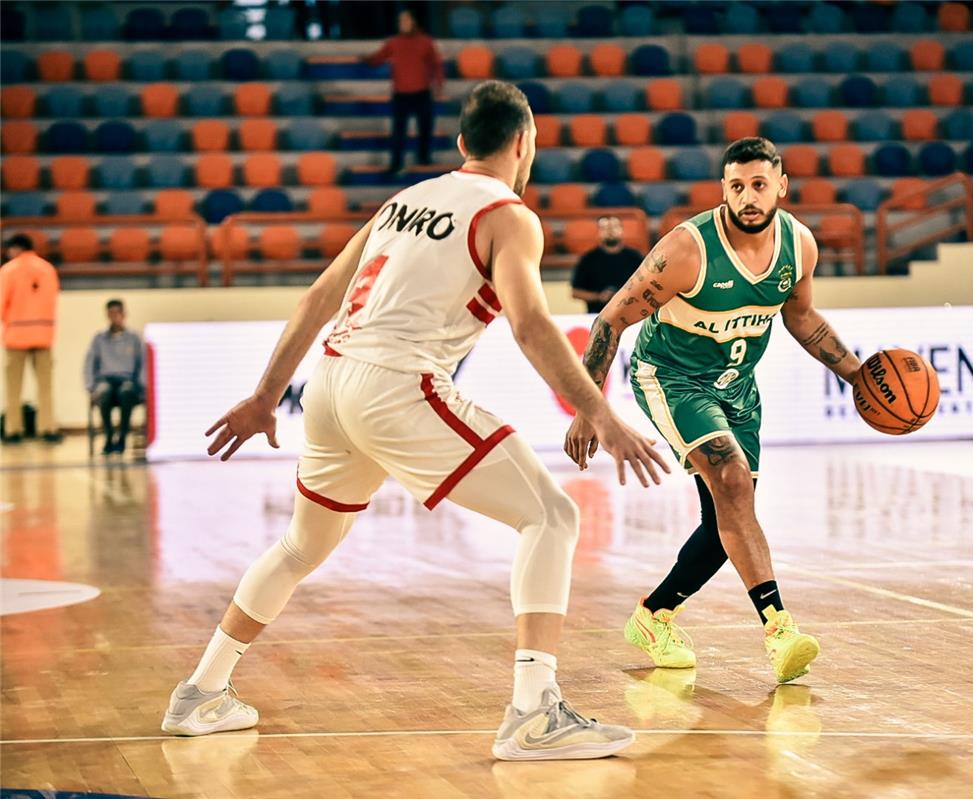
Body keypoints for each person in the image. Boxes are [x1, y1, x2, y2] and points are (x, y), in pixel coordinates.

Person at [161, 81, 670, 762]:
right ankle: (533, 711)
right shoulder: (509, 215)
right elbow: (529, 323)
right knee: (552, 516)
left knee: (301, 546)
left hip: (331, 381)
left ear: (462, 143)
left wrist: (265, 397)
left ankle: (201, 691)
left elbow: (319, 297)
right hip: (398, 384)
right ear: (525, 143)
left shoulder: (403, 201)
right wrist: (599, 411)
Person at [564, 137, 863, 684]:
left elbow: (801, 317)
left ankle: (653, 615)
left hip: (737, 387)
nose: (748, 197)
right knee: (732, 482)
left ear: (781, 186)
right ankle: (779, 630)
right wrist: (589, 408)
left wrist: (858, 376)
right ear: (722, 189)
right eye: (736, 186)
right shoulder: (688, 250)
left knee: (726, 518)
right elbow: (609, 320)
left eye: (758, 184)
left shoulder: (799, 245)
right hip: (671, 377)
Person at [365, 8, 444, 173]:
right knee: (399, 131)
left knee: (425, 127)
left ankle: (424, 157)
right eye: (400, 21)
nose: (403, 24)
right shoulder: (394, 42)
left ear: (413, 22)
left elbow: (435, 64)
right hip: (401, 93)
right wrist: (365, 59)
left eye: (406, 20)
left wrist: (438, 83)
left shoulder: (425, 42)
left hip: (422, 91)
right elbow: (378, 58)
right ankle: (396, 163)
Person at [1, 234, 61, 445]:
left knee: (13, 388)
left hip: (16, 335)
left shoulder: (8, 270)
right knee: (45, 387)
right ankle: (47, 428)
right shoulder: (48, 269)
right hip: (44, 335)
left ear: (16, 248)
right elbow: (53, 300)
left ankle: (13, 430)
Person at [84, 299, 146, 456]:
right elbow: (89, 363)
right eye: (111, 314)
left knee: (126, 392)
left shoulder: (134, 338)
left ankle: (123, 436)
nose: (114, 317)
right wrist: (90, 387)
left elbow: (143, 364)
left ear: (124, 314)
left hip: (128, 380)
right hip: (106, 379)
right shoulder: (99, 338)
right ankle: (109, 434)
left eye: (117, 313)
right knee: (103, 392)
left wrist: (142, 386)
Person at [570, 216, 644, 314]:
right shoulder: (588, 259)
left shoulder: (635, 257)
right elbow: (575, 292)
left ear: (622, 230)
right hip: (597, 314)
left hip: (631, 313)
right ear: (598, 232)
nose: (610, 231)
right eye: (605, 228)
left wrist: (626, 295)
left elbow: (646, 285)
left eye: (614, 227)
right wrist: (599, 296)